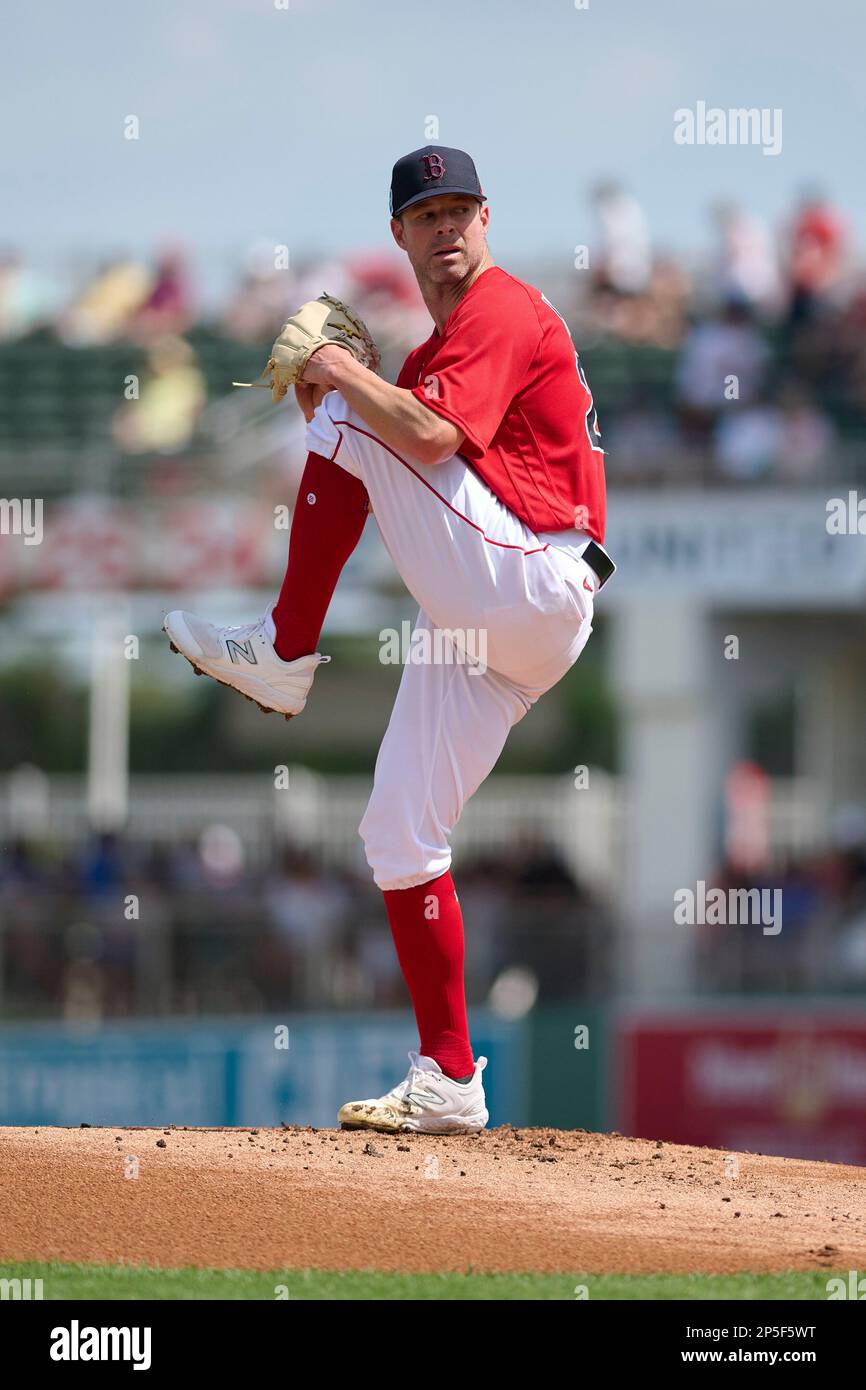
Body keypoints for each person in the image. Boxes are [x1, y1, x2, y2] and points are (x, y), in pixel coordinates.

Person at [163, 145, 614, 1133]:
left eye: (460, 208)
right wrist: (329, 393)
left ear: (486, 221)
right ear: (400, 234)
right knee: (397, 833)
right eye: (426, 213)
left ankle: (284, 648)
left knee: (355, 414)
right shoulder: (425, 359)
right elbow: (388, 432)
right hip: (493, 619)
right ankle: (449, 1077)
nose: (446, 226)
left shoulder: (502, 306)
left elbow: (418, 438)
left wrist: (335, 380)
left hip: (534, 577)